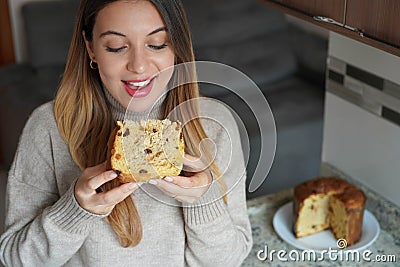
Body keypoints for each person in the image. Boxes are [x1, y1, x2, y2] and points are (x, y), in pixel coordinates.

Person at [0, 0, 253, 266]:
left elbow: (230, 259)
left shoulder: (214, 125)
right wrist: (76, 210)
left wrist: (203, 201)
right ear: (91, 49)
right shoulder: (48, 127)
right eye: (117, 47)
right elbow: (15, 258)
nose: (139, 66)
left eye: (157, 44)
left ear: (176, 47)